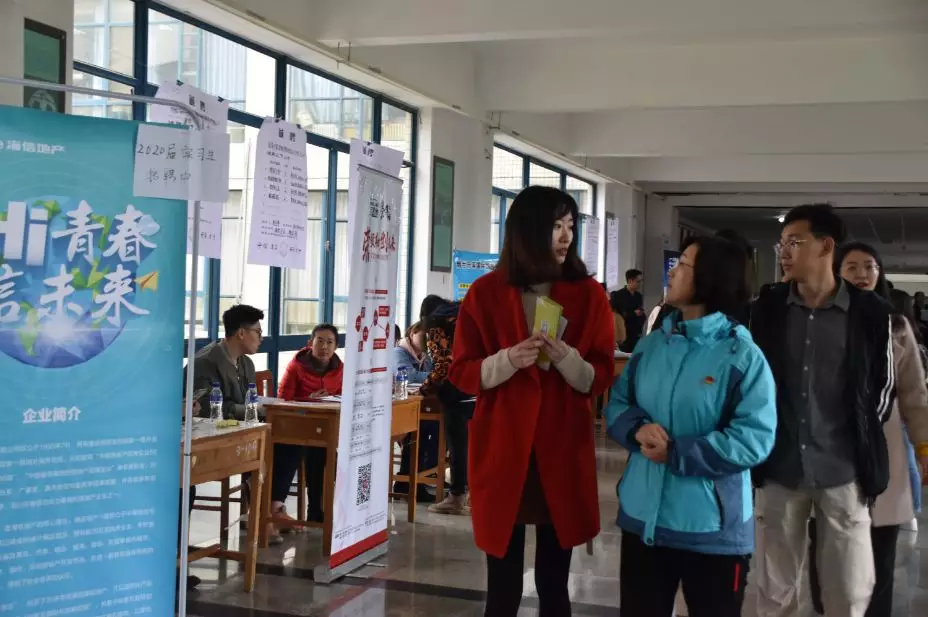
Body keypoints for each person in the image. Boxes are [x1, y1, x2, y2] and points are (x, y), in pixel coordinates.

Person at [449, 185, 615, 616]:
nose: (566, 236)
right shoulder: (485, 293)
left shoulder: (588, 294)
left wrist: (567, 360)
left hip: (561, 447)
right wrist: (507, 360)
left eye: (570, 226)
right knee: (501, 582)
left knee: (553, 580)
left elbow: (601, 373)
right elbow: (462, 371)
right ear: (527, 231)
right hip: (504, 446)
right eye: (556, 226)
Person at [606, 235, 777, 617]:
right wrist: (637, 430)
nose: (672, 272)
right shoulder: (652, 346)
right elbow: (618, 403)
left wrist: (677, 452)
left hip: (711, 531)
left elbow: (754, 439)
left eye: (682, 264)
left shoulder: (742, 355)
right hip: (643, 521)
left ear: (710, 278)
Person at [751, 204, 898, 617]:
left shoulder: (870, 312)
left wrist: (860, 437)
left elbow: (883, 388)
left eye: (794, 242)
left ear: (825, 246)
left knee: (847, 593)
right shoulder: (768, 307)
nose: (784, 252)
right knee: (774, 591)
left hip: (843, 469)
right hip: (779, 465)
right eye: (782, 244)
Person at [804, 243, 928, 617]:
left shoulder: (896, 326)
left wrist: (924, 447)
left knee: (879, 558)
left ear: (880, 273)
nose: (861, 274)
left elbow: (915, 397)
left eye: (869, 266)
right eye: (852, 267)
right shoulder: (819, 321)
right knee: (827, 561)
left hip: (882, 450)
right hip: (829, 450)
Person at [270, 324, 344, 540]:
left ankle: (317, 511)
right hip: (295, 426)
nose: (324, 347)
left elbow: (343, 395)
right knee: (309, 450)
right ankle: (280, 508)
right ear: (310, 343)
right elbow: (283, 399)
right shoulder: (296, 366)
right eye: (320, 341)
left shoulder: (340, 368)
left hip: (325, 427)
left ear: (336, 347)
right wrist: (308, 399)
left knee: (324, 453)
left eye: (330, 342)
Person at [420, 298, 475, 515]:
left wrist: (424, 389)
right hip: (479, 387)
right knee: (474, 447)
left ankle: (457, 497)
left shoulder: (436, 325)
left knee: (458, 447)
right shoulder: (465, 317)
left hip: (456, 392)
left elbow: (443, 366)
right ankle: (473, 496)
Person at [188, 304, 263, 420]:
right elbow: (204, 407)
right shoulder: (204, 362)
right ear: (241, 333)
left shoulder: (247, 363)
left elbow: (250, 400)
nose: (261, 338)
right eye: (258, 332)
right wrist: (254, 410)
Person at [393, 321, 438, 500]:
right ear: (412, 333)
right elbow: (410, 376)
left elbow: (433, 374)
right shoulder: (399, 352)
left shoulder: (425, 356)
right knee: (419, 429)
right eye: (423, 335)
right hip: (397, 408)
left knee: (437, 427)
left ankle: (424, 474)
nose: (427, 340)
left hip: (417, 404)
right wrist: (437, 375)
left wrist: (436, 375)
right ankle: (409, 480)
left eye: (430, 337)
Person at [611, 269, 644, 352]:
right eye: (638, 281)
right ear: (630, 281)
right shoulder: (618, 295)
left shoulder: (638, 296)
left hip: (636, 332)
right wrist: (633, 313)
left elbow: (640, 311)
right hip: (622, 333)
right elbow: (615, 314)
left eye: (641, 281)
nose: (640, 284)